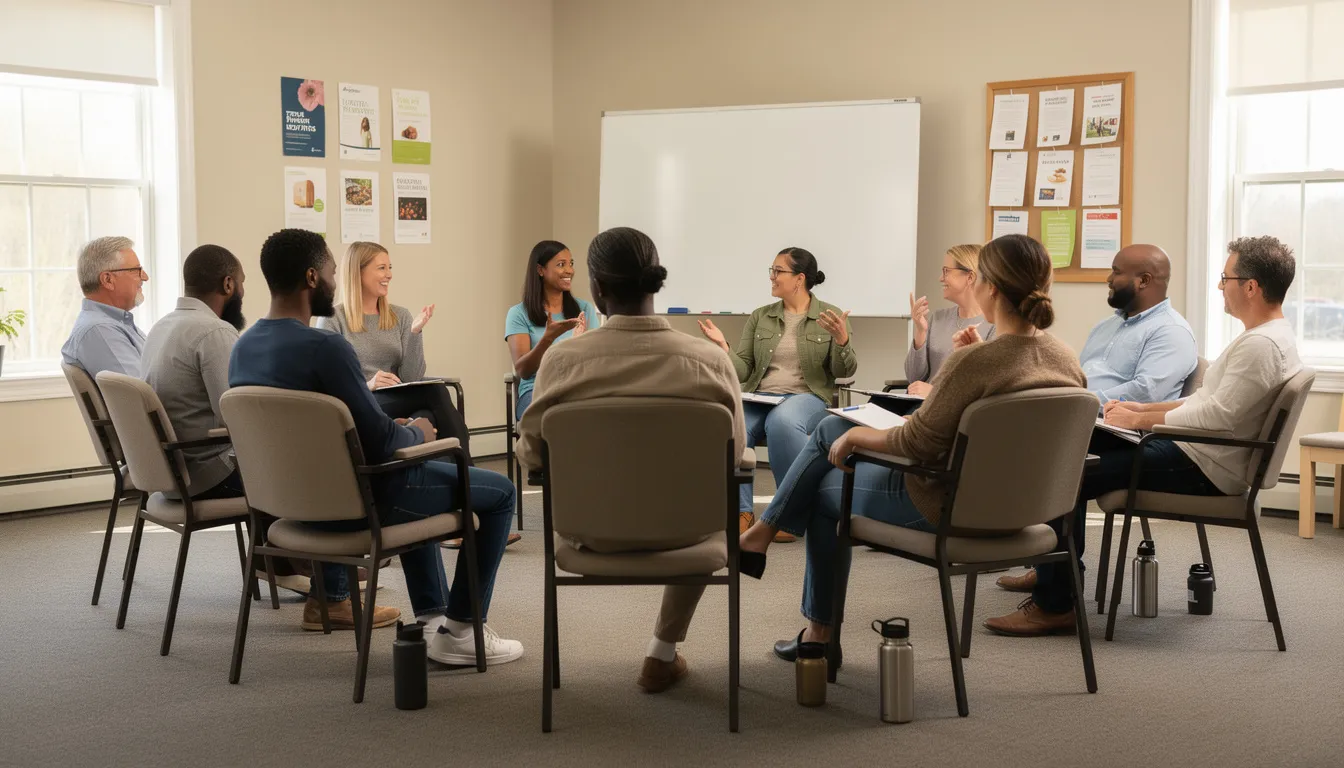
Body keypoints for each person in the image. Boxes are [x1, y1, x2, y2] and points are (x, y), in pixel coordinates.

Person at [735, 234, 1086, 660]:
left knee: (829, 486)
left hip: (946, 505)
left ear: (988, 287)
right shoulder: (1065, 359)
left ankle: (816, 631)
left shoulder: (975, 362)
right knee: (831, 430)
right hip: (1027, 513)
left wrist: (859, 434)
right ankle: (766, 533)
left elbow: (916, 443)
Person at [229, 228, 523, 665]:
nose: (334, 279)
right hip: (358, 502)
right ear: (312, 277)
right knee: (498, 492)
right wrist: (421, 430)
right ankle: (462, 630)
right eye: (330, 271)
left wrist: (395, 426)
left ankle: (432, 616)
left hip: (292, 506)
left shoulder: (243, 347)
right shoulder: (325, 346)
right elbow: (384, 444)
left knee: (420, 474)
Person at [986, 236, 1301, 636]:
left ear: (1251, 286)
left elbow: (1217, 417)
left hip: (1204, 465)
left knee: (1064, 473)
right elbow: (1207, 403)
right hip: (1198, 451)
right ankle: (1055, 570)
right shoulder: (1267, 336)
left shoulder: (1260, 345)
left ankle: (1056, 604)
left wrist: (1142, 420)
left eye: (1226, 278)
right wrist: (1139, 412)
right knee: (1061, 450)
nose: (1221, 286)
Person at [517, 226, 748, 693]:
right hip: (688, 534)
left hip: (590, 535)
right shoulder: (710, 361)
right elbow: (737, 451)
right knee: (711, 509)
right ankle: (662, 653)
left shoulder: (563, 363)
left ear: (597, 290)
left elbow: (531, 454)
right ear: (654, 282)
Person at [995, 243, 1198, 595]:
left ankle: (1055, 592)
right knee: (1025, 438)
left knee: (1057, 466)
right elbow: (1082, 376)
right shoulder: (1107, 326)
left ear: (1144, 280)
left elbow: (1146, 392)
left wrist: (1076, 402)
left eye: (1117, 271)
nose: (1108, 277)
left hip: (1130, 433)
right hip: (1088, 419)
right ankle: (1048, 565)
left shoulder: (1171, 332)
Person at [697, 247, 856, 537]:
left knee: (782, 421)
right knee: (732, 423)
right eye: (771, 270)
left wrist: (842, 340)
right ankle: (743, 512)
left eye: (778, 271)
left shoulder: (830, 316)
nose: (771, 277)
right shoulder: (761, 317)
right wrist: (724, 348)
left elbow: (844, 371)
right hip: (760, 396)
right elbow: (743, 370)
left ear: (799, 278)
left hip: (806, 397)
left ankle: (787, 513)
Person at [316, 241, 475, 465]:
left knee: (426, 416)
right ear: (358, 272)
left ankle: (449, 481)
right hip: (362, 402)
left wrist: (415, 332)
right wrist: (368, 384)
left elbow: (411, 377)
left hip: (397, 398)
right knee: (435, 393)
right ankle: (468, 473)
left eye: (390, 267)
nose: (389, 274)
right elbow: (328, 383)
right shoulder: (333, 319)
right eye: (381, 268)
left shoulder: (399, 316)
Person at [505, 240, 599, 418]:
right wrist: (548, 339)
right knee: (558, 416)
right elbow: (523, 371)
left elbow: (595, 362)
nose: (569, 271)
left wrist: (579, 344)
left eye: (571, 264)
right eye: (561, 265)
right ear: (541, 270)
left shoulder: (584, 310)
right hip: (536, 390)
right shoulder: (518, 314)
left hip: (576, 388)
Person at [904, 244, 995, 397]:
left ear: (970, 277)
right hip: (920, 406)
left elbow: (984, 387)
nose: (941, 278)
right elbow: (913, 378)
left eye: (946, 271)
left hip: (949, 412)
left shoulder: (994, 325)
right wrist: (921, 331)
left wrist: (935, 392)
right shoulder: (938, 318)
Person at [61, 236, 149, 378]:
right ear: (108, 280)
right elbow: (142, 393)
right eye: (136, 270)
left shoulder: (111, 323)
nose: (145, 277)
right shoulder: (100, 329)